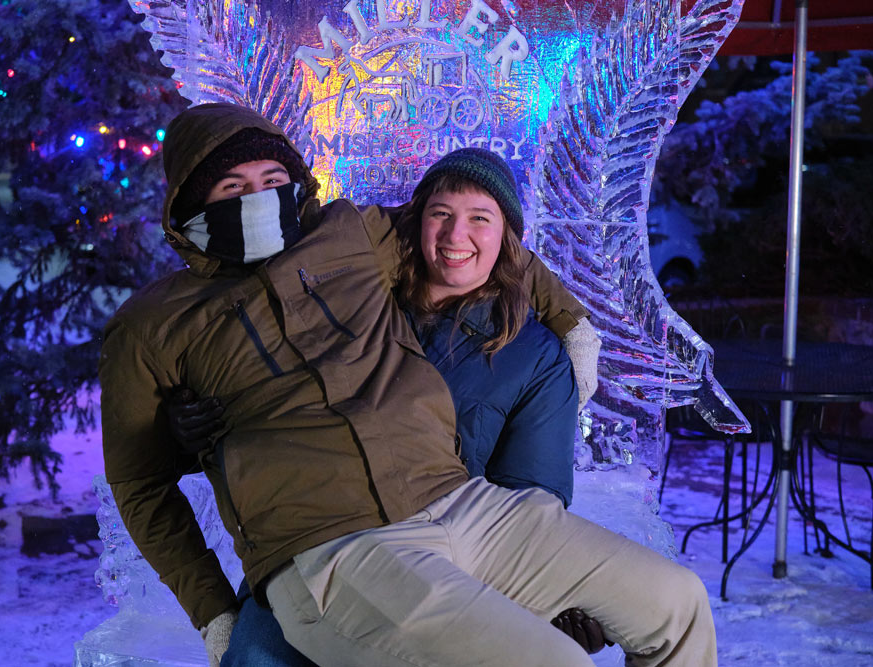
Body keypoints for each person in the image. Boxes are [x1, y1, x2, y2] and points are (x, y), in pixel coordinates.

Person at [100, 102, 715, 667]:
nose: (259, 199)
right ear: (191, 202)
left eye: (272, 180)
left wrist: (571, 318)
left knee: (678, 605)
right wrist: (212, 611)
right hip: (332, 548)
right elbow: (140, 485)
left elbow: (477, 237)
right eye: (233, 188)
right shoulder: (151, 325)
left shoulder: (345, 236)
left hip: (459, 503)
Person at [190, 148, 601, 666]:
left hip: (447, 558)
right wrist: (198, 429)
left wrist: (542, 603)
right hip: (314, 541)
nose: (455, 235)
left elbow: (530, 499)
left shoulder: (534, 357)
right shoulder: (355, 297)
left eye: (480, 218)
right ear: (417, 220)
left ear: (507, 238)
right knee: (259, 654)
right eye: (440, 214)